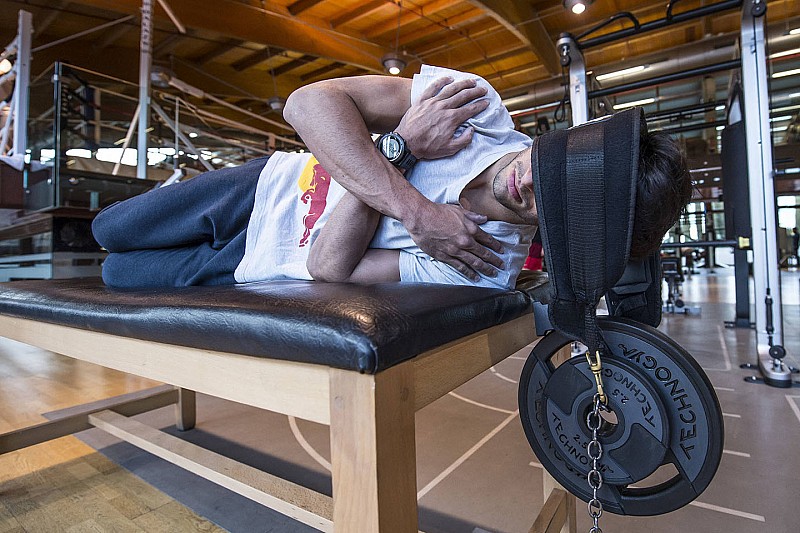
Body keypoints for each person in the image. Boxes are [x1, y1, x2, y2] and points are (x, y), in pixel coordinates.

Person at [92, 65, 692, 290]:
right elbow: (306, 104)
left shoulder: (483, 263)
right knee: (109, 230)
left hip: (261, 259)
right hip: (264, 186)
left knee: (117, 274)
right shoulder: (476, 108)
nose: (530, 186)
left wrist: (398, 152)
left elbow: (328, 265)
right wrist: (411, 191)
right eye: (549, 169)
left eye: (553, 204)